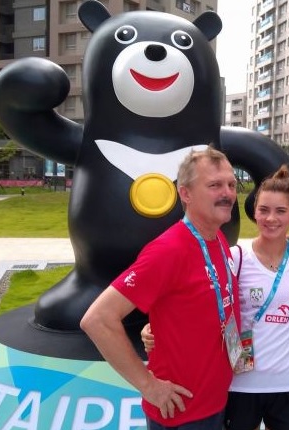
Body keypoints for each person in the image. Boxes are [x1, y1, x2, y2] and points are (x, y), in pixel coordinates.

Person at [143, 165, 289, 430]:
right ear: (254, 212)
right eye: (264, 210)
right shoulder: (234, 257)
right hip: (241, 382)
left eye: (281, 211)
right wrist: (152, 328)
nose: (271, 219)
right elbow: (200, 305)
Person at [81, 147, 240, 430]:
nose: (227, 193)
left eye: (231, 184)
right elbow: (98, 320)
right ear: (186, 194)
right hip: (180, 414)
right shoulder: (168, 250)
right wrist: (148, 386)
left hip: (215, 402)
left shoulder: (218, 241)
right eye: (214, 185)